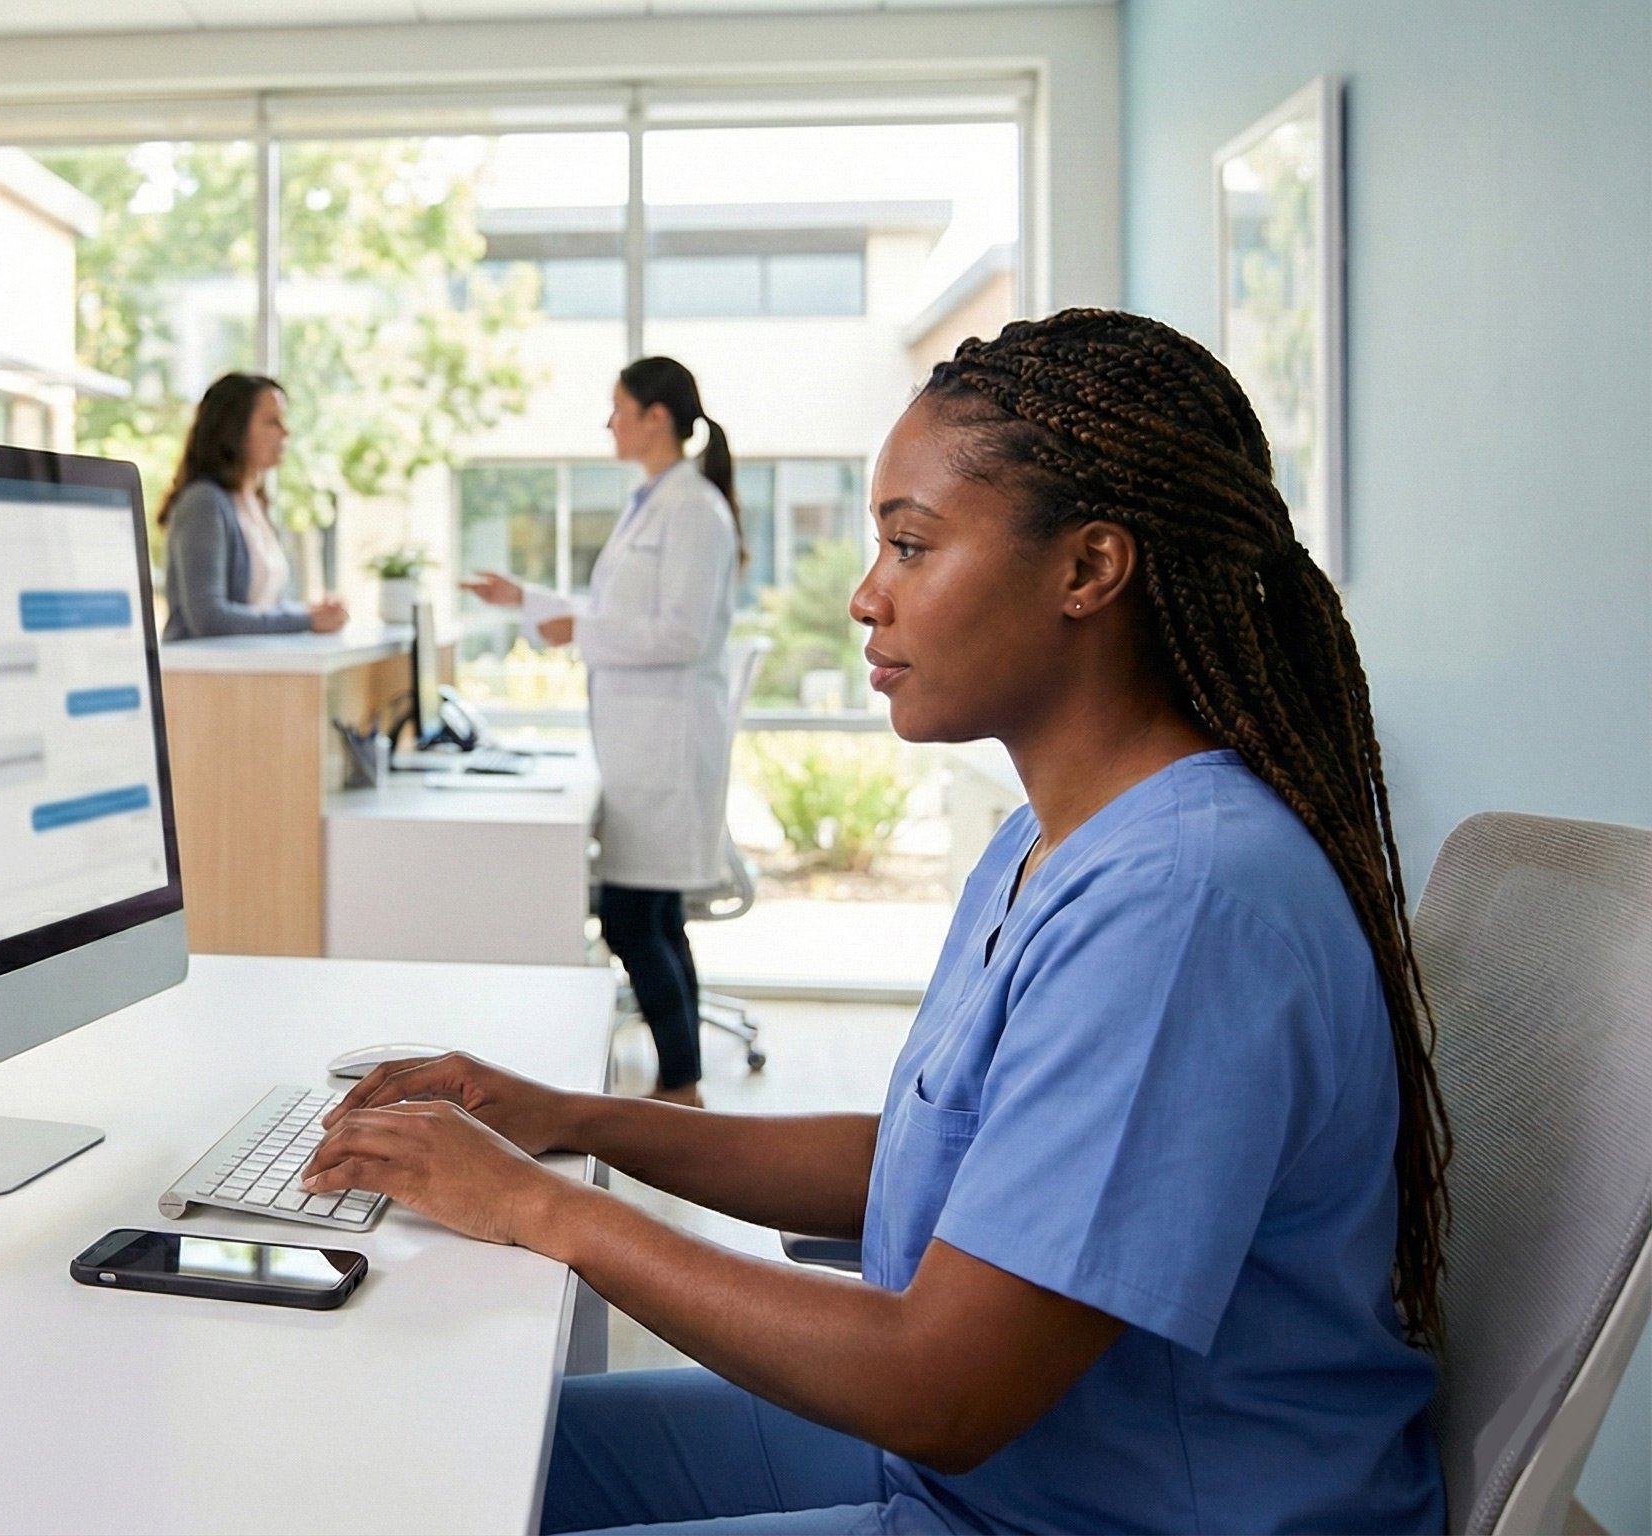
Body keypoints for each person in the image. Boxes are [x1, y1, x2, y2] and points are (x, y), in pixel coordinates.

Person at [310, 310, 1448, 1534]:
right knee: (447, 1458)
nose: (865, 597)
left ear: (1086, 570)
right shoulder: (1055, 839)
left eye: (910, 546)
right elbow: (928, 1161)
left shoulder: (1179, 906)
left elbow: (939, 1383)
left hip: (1101, 1507)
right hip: (1015, 1471)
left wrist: (542, 1207)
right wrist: (571, 1118)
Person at [463, 357, 743, 1107]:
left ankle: (681, 1088)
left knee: (630, 916)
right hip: (640, 742)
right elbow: (612, 613)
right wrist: (525, 598)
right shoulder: (654, 500)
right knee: (650, 916)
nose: (610, 422)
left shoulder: (692, 510)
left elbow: (679, 633)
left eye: (618, 408)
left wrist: (578, 626)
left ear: (656, 417)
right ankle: (684, 1082)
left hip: (666, 745)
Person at [159, 373, 349, 640]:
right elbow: (209, 618)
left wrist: (313, 613)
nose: (286, 431)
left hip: (247, 672)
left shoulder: (254, 502)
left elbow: (262, 608)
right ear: (233, 430)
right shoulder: (204, 502)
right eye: (272, 421)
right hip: (204, 676)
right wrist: (305, 620)